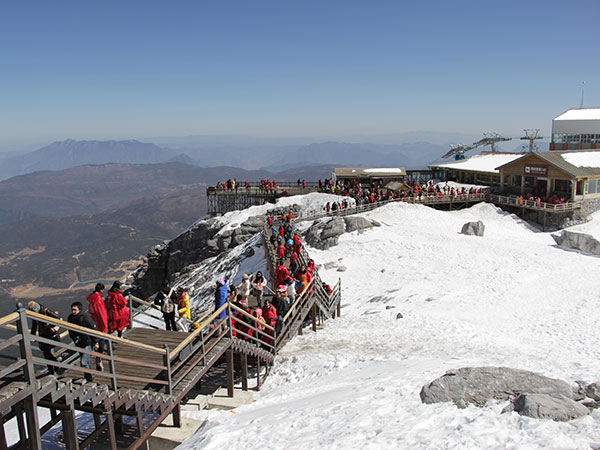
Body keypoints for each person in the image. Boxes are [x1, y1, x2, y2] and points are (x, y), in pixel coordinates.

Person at [28, 301, 62, 375]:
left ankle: (53, 368)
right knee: (46, 353)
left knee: (47, 353)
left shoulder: (46, 311)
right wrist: (32, 336)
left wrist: (54, 329)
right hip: (43, 335)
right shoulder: (35, 314)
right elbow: (34, 326)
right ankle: (54, 368)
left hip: (50, 335)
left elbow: (59, 319)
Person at [67, 302, 99, 382]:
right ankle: (88, 376)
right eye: (72, 310)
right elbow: (70, 330)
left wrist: (95, 342)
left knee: (83, 361)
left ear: (79, 310)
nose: (72, 311)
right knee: (85, 360)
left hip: (87, 342)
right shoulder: (70, 318)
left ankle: (90, 376)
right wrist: (74, 339)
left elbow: (93, 329)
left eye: (74, 310)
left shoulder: (85, 318)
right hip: (79, 342)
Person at [86, 283, 108, 370]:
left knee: (94, 340)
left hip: (92, 322)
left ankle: (96, 356)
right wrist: (105, 326)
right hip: (99, 324)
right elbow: (101, 313)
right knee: (100, 341)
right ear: (101, 290)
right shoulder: (98, 299)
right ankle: (99, 358)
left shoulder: (91, 298)